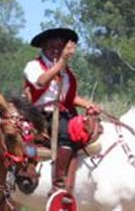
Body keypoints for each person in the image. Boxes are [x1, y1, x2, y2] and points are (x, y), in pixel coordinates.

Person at [23, 28, 101, 197]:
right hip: (41, 114)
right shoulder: (34, 66)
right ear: (43, 47)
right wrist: (62, 62)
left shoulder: (66, 72)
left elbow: (69, 97)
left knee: (90, 129)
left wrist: (89, 105)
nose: (56, 51)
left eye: (60, 47)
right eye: (52, 47)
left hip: (64, 112)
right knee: (68, 134)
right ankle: (58, 184)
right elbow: (41, 82)